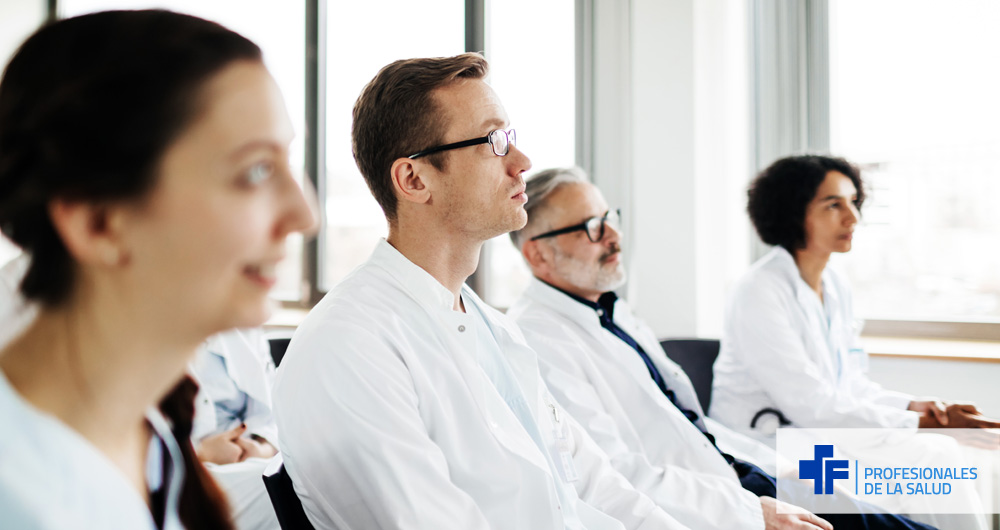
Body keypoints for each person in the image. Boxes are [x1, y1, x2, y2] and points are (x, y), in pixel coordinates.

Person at [272, 53, 686, 530]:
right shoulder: (347, 347)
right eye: (493, 141)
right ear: (414, 179)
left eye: (510, 137)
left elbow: (596, 485)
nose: (523, 162)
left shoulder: (492, 329)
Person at [0, 10, 314, 529]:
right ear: (100, 223)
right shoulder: (22, 493)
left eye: (288, 163)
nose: (305, 216)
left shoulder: (146, 440)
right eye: (255, 170)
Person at [508, 167, 936, 530]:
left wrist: (781, 467)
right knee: (891, 506)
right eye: (592, 228)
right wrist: (751, 510)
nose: (615, 237)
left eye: (610, 218)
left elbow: (693, 427)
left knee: (901, 506)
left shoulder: (608, 309)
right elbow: (614, 475)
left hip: (744, 465)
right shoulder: (541, 341)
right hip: (718, 496)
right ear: (539, 255)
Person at [710, 155, 1000, 441]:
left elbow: (847, 387)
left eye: (853, 202)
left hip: (813, 434)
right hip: (763, 446)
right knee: (931, 457)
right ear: (793, 213)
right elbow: (808, 403)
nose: (853, 218)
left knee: (936, 455)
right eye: (834, 205)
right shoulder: (758, 290)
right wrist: (923, 424)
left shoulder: (835, 286)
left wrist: (912, 406)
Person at [190, 328, 281, 530]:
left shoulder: (246, 328)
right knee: (290, 487)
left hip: (255, 455)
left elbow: (275, 410)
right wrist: (200, 453)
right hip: (190, 469)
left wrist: (263, 447)